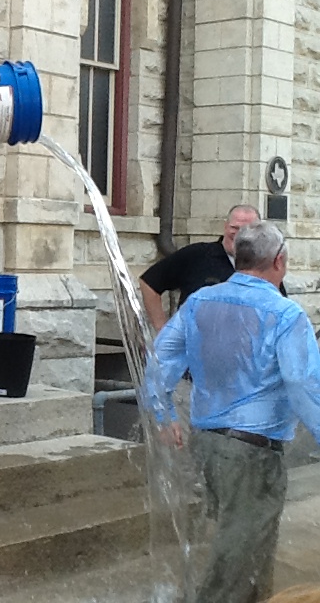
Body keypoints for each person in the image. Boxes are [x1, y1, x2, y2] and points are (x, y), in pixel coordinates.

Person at [149, 221, 320, 603]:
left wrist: (164, 415)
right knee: (236, 566)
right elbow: (304, 384)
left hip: (206, 444)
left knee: (244, 554)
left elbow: (160, 360)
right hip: (251, 453)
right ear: (279, 261)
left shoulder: (200, 302)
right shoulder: (285, 314)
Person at [139, 204, 261, 331]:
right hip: (194, 341)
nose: (240, 234)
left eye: (247, 229)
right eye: (234, 227)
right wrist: (163, 330)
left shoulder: (265, 264)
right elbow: (149, 283)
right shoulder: (197, 255)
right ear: (225, 226)